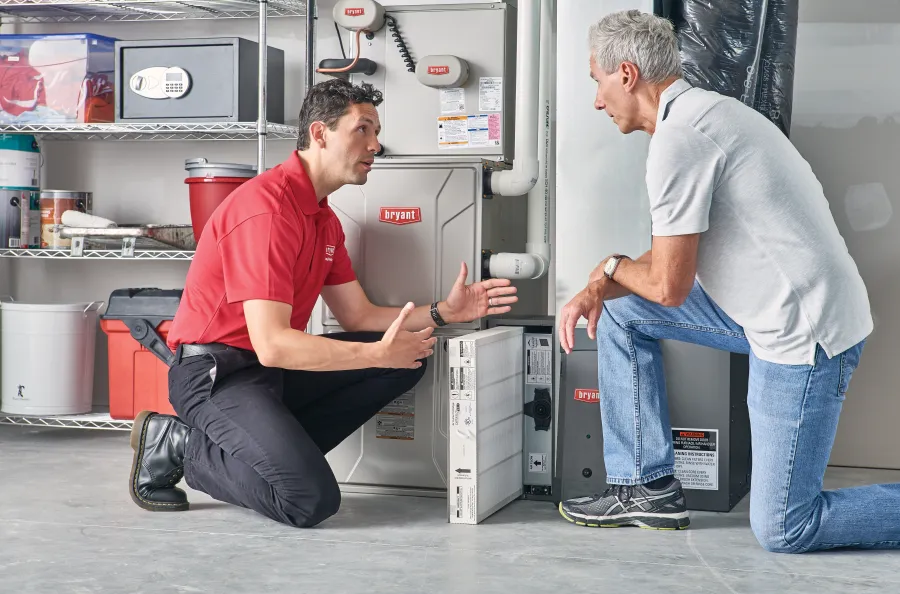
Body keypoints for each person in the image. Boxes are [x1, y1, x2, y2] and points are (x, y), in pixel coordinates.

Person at [557, 10, 899, 554]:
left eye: (596, 81)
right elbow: (673, 253)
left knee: (787, 527)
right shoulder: (704, 116)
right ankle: (644, 487)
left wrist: (609, 269)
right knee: (622, 312)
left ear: (625, 74)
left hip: (802, 335)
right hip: (769, 312)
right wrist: (607, 284)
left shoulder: (680, 139)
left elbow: (668, 287)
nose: (597, 100)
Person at [127, 79, 518, 528]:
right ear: (320, 133)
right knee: (308, 499)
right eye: (363, 130)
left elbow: (359, 316)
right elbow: (273, 344)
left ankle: (272, 453)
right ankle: (178, 443)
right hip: (215, 376)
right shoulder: (267, 212)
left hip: (265, 373)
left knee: (405, 362)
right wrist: (375, 352)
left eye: (376, 132)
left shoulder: (323, 218)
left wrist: (443, 313)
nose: (376, 144)